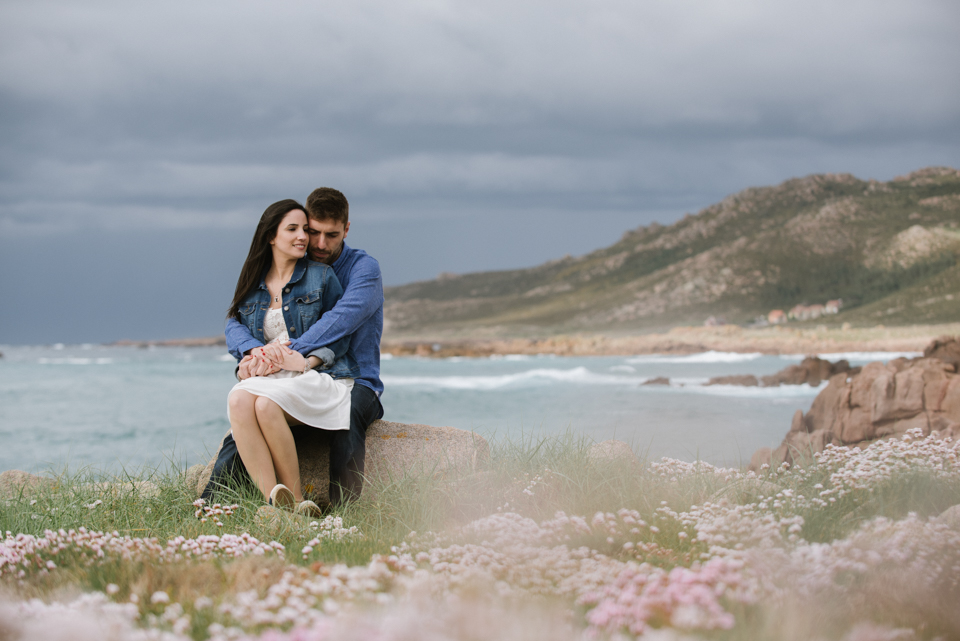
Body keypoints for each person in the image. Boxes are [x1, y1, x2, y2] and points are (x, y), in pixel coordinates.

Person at [225, 187, 384, 504]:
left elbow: (340, 320)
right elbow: (237, 317)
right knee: (238, 426)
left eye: (332, 235)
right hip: (297, 376)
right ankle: (217, 503)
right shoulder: (295, 269)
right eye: (313, 232)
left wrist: (282, 353)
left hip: (355, 376)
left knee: (348, 420)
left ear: (346, 229)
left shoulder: (363, 269)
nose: (320, 244)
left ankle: (343, 517)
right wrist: (253, 352)